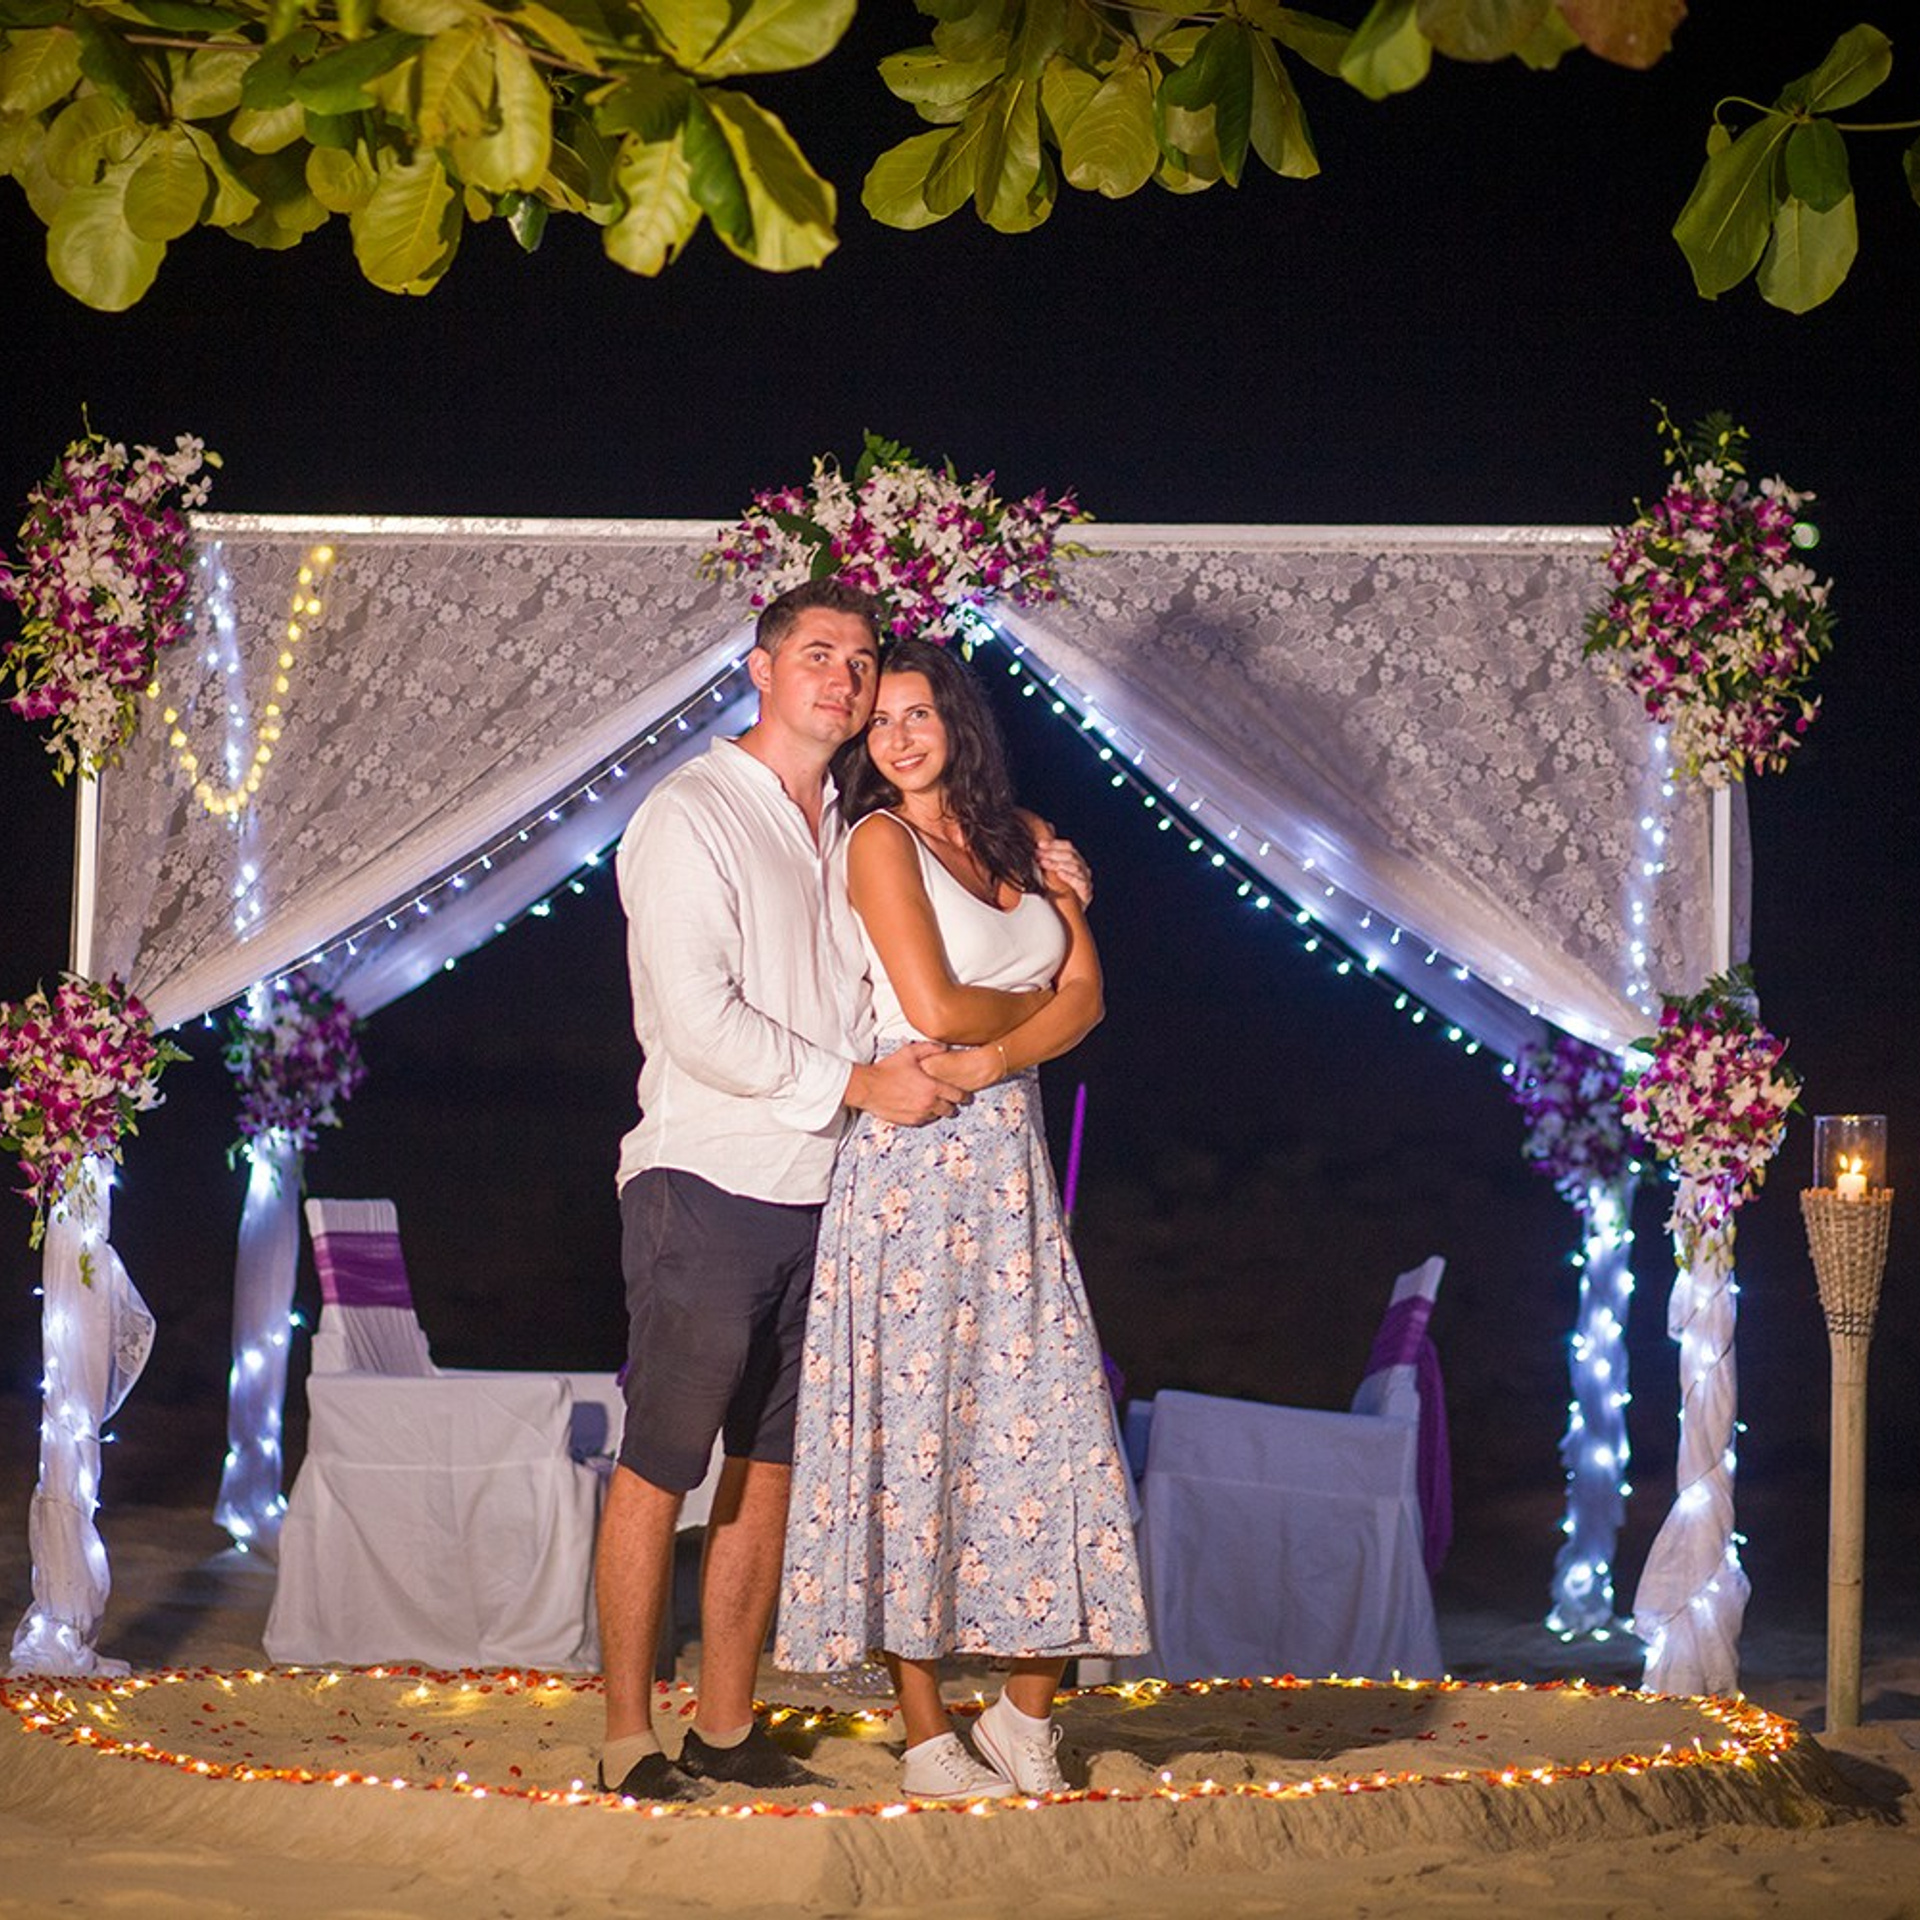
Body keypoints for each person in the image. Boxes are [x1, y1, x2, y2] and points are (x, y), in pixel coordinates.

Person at [598, 583, 1092, 1802]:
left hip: (831, 1191)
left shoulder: (842, 818)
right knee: (661, 1459)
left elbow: (934, 933)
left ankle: (723, 1722)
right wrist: (864, 1083)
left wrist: (1041, 866)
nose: (842, 678)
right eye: (816, 654)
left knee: (771, 1470)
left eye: (859, 661)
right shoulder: (690, 814)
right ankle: (623, 1736)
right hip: (707, 1174)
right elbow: (701, 1023)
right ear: (759, 669)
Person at [775, 637, 1148, 1802]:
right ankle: (926, 1728)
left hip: (1007, 1164)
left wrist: (999, 1048)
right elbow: (928, 1002)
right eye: (879, 720)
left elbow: (1088, 997)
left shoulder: (1020, 837)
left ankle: (1023, 1719)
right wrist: (1018, 1020)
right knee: (912, 1435)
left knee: (1049, 1418)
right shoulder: (880, 843)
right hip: (911, 1166)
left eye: (919, 713)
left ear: (957, 724)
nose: (898, 734)